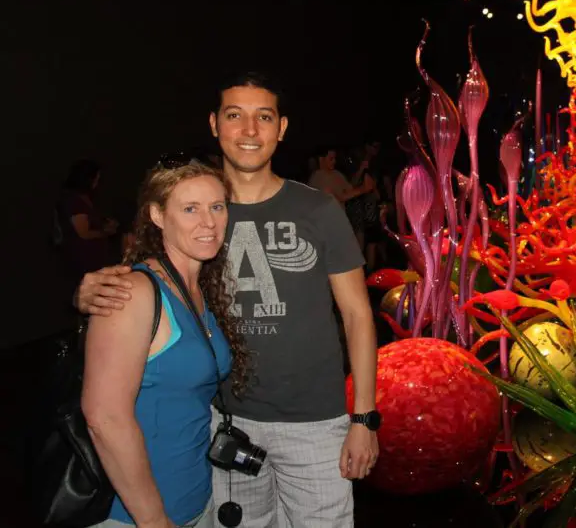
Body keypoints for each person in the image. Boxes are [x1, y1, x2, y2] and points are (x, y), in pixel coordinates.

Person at [74, 72, 379, 528]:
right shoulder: (197, 205)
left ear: (283, 128)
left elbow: (357, 315)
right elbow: (144, 274)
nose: (250, 131)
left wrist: (364, 419)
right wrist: (88, 290)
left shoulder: (318, 209)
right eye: (235, 116)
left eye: (264, 117)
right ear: (215, 125)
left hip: (315, 424)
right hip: (224, 422)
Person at [83, 158, 244, 528]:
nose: (208, 222)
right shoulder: (134, 292)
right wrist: (153, 519)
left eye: (217, 207)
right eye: (190, 209)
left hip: (195, 499)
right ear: (157, 215)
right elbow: (104, 418)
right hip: (136, 515)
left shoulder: (198, 289)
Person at [53, 159, 119, 293]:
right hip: (81, 263)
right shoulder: (73, 201)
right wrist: (106, 232)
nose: (97, 182)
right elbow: (83, 232)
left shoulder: (86, 199)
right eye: (96, 178)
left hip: (94, 261)